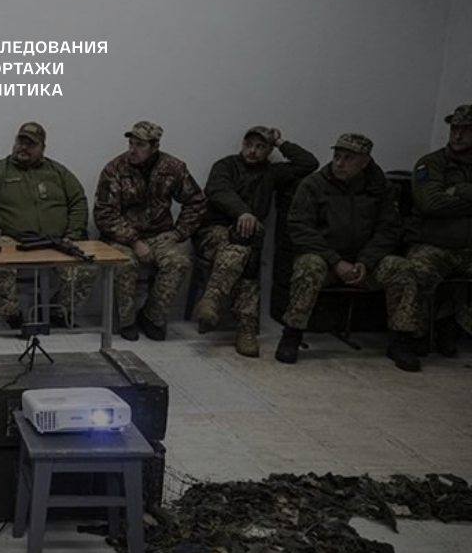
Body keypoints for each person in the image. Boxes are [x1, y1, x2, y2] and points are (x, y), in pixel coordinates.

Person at [277, 133, 421, 371]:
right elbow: (299, 228)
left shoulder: (380, 188)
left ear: (365, 162)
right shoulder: (314, 184)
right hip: (327, 261)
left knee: (402, 269)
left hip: (365, 264)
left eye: (348, 158)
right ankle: (292, 335)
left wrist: (366, 261)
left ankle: (401, 341)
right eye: (337, 156)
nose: (339, 163)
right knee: (308, 266)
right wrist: (336, 261)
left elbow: (389, 229)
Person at [194, 126, 319, 356]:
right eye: (249, 145)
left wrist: (281, 142)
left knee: (247, 257)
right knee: (243, 252)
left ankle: (238, 322)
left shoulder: (272, 172)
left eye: (260, 147)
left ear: (269, 151)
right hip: (215, 231)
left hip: (249, 237)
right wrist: (242, 212)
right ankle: (232, 316)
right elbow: (218, 190)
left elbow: (309, 163)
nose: (252, 151)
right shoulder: (225, 166)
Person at [0, 122, 95, 329]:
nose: (23, 147)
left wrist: (73, 234)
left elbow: (78, 200)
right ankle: (13, 317)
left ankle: (57, 313)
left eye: (31, 144)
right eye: (20, 142)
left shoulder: (58, 172)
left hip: (55, 241)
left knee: (86, 268)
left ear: (42, 148)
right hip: (12, 240)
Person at [93, 121, 206, 341]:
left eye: (140, 145)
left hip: (158, 234)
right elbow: (104, 214)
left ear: (154, 147)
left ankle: (151, 317)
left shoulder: (173, 168)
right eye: (131, 143)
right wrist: (134, 241)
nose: (132, 150)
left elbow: (196, 201)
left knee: (178, 263)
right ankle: (127, 321)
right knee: (125, 264)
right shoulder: (115, 169)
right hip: (121, 238)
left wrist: (179, 233)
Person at [406, 104, 472, 357]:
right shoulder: (430, 163)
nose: (458, 135)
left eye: (466, 130)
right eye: (454, 128)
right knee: (417, 270)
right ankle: (415, 335)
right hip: (434, 244)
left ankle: (452, 324)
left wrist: (458, 191)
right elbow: (430, 203)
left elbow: (443, 201)